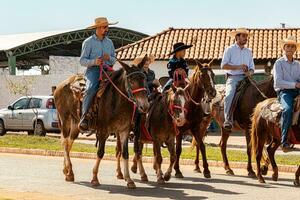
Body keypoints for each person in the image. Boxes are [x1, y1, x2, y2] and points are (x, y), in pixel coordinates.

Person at [78, 17, 117, 131]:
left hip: (108, 70)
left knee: (122, 86)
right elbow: (82, 61)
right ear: (98, 28)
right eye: (105, 27)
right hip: (93, 70)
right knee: (90, 89)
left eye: (107, 27)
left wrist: (108, 57)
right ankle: (84, 117)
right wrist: (94, 61)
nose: (107, 29)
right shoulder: (88, 42)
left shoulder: (109, 42)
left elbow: (114, 60)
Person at [221, 28, 255, 130]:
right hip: (233, 78)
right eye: (243, 36)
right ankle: (228, 119)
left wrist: (249, 72)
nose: (245, 38)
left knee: (258, 93)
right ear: (237, 37)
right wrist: (239, 67)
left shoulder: (249, 51)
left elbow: (252, 68)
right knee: (229, 95)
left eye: (246, 36)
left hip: (246, 78)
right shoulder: (229, 49)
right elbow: (223, 66)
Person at [273, 36, 300, 152]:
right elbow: (278, 82)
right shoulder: (278, 63)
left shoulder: (298, 64)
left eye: (292, 46)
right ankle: (284, 142)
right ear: (283, 48)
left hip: (297, 91)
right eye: (287, 46)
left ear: (295, 50)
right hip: (284, 92)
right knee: (288, 109)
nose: (290, 48)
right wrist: (295, 85)